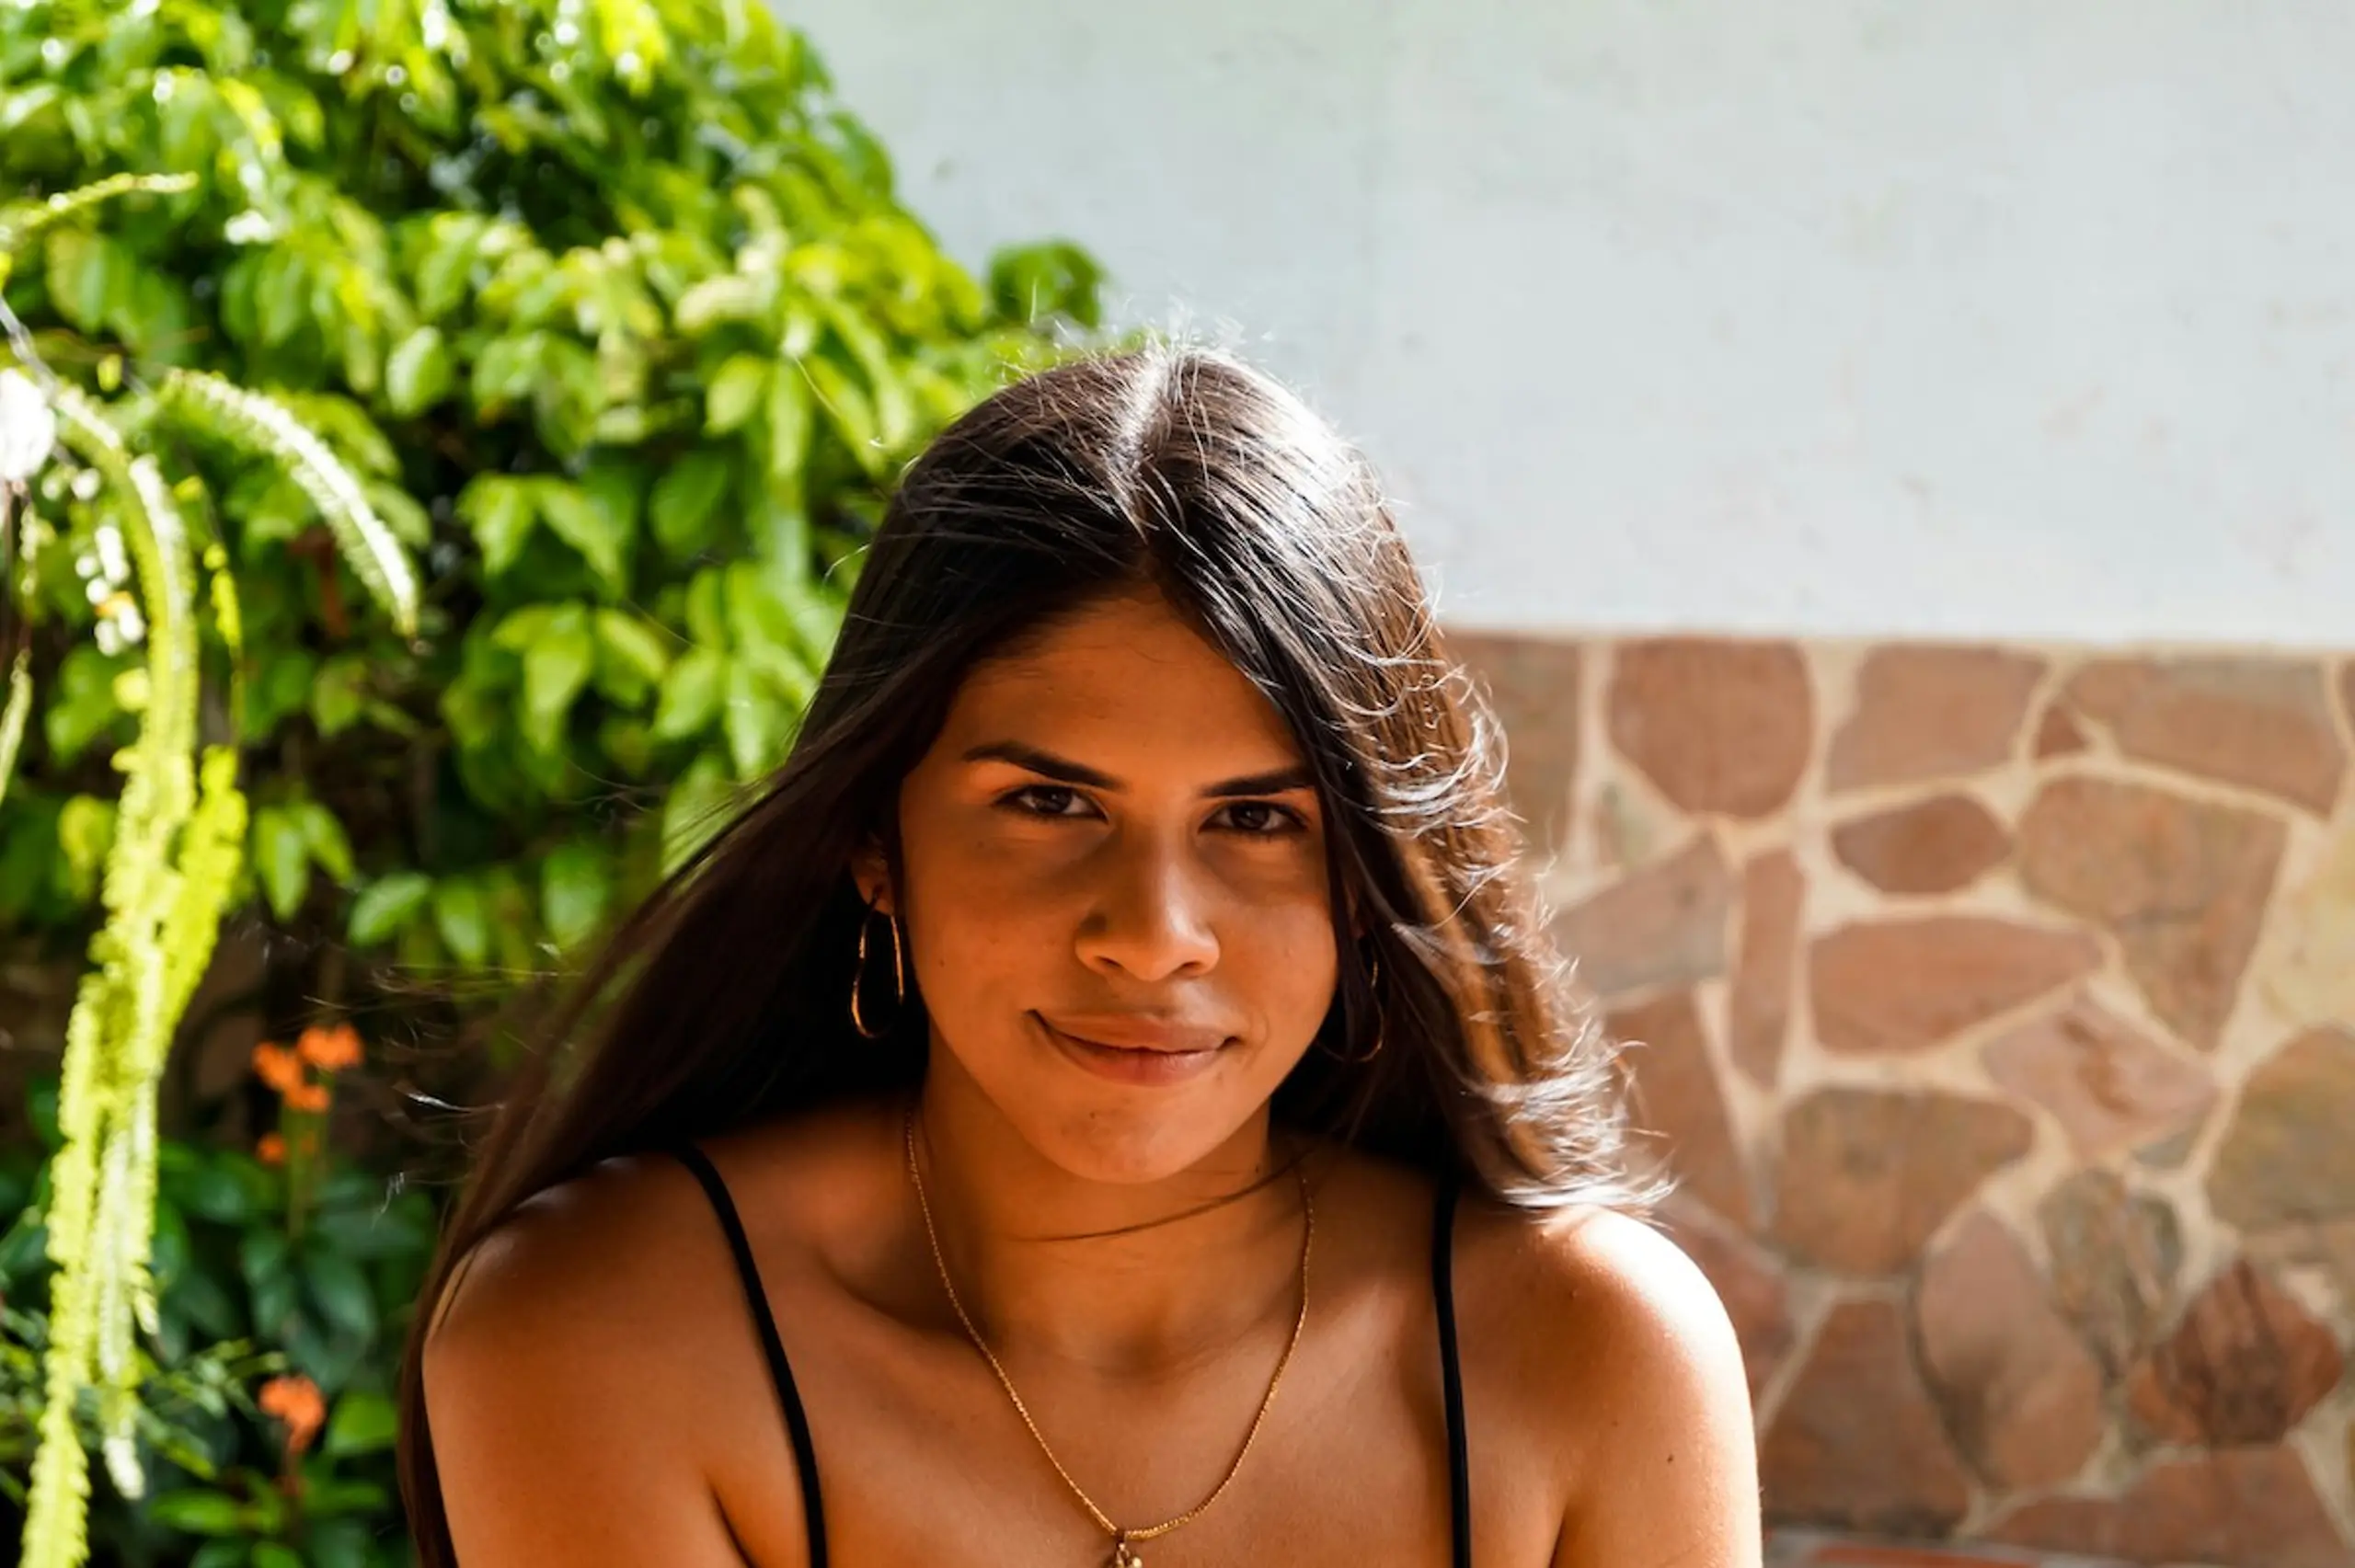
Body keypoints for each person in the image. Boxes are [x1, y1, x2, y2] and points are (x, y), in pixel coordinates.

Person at [397, 343, 1761, 1568]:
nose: (1154, 937)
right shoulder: (616, 1336)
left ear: (1365, 883)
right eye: (1051, 803)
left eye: (1256, 820)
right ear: (875, 839)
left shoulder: (1587, 1359)